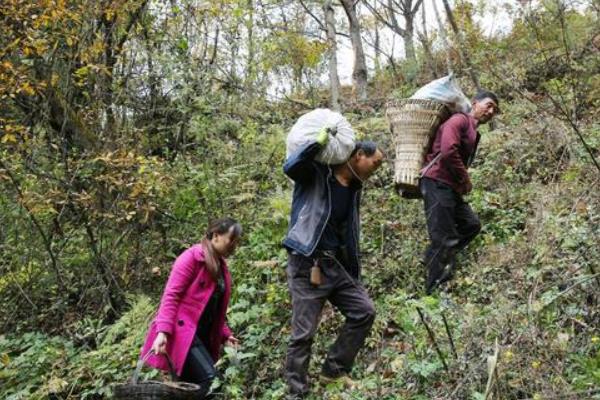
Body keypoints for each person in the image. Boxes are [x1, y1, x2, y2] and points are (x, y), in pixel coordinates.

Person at [282, 131, 384, 399]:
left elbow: (347, 234)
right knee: (303, 334)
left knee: (364, 311)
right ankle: (297, 392)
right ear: (358, 155)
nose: (376, 170)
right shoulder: (316, 174)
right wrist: (317, 142)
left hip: (334, 265)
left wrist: (352, 271)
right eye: (375, 163)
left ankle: (334, 370)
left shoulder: (353, 189)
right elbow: (290, 166)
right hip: (306, 262)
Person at [140, 217, 242, 397]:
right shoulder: (191, 258)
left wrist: (226, 335)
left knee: (190, 390)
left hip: (202, 337)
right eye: (231, 239)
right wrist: (162, 332)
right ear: (216, 236)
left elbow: (213, 309)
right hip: (182, 334)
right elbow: (171, 296)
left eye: (236, 241)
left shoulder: (221, 268)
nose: (234, 245)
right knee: (211, 383)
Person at [419, 90, 500, 294]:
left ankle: (433, 255)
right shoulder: (459, 120)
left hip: (449, 187)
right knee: (444, 239)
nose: (491, 111)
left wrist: (460, 181)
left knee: (471, 224)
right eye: (488, 105)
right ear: (474, 103)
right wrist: (465, 178)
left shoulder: (474, 132)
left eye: (495, 110)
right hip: (436, 181)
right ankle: (433, 291)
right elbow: (448, 150)